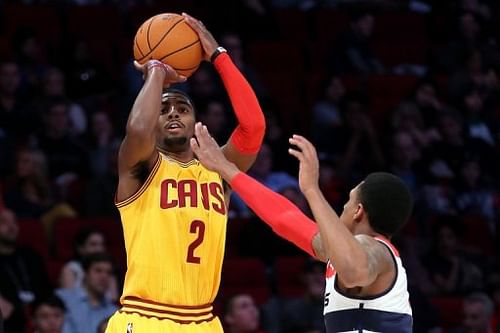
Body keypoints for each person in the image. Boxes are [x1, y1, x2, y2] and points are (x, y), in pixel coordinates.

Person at [105, 13, 265, 333]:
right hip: (145, 316)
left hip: (204, 321)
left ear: (195, 120)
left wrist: (218, 56)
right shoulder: (140, 166)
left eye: (182, 108)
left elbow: (254, 126)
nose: (174, 113)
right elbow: (138, 128)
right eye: (164, 109)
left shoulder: (218, 169)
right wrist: (156, 70)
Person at [191, 123, 414, 332]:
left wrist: (311, 191)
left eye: (348, 201)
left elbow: (355, 272)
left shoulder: (376, 249)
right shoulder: (342, 254)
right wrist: (226, 169)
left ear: (358, 211)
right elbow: (284, 218)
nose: (342, 208)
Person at [56, 252, 117, 333]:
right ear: (85, 273)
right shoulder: (62, 299)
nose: (104, 277)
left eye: (108, 273)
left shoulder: (115, 312)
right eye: (98, 271)